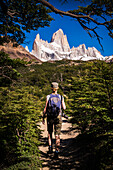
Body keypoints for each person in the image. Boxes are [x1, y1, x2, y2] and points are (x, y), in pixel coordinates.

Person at [42, 82, 66, 158]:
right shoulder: (61, 97)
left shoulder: (48, 96)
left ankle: (50, 149)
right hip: (58, 117)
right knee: (57, 135)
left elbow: (45, 108)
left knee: (49, 133)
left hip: (50, 117)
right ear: (57, 88)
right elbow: (64, 107)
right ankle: (56, 151)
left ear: (51, 88)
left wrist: (43, 117)